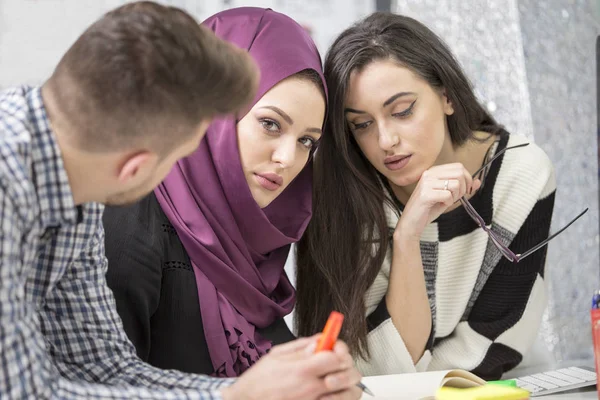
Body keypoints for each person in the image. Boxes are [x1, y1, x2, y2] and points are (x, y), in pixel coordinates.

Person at [0, 2, 361, 399]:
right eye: (179, 157)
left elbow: (103, 365)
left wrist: (241, 392)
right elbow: (23, 393)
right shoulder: (11, 187)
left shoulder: (75, 187)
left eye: (307, 141)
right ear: (135, 168)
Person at [295, 12, 567, 380]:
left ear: (447, 96)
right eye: (362, 124)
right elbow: (355, 362)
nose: (386, 141)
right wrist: (408, 235)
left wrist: (410, 374)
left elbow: (495, 340)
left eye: (402, 111)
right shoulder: (343, 194)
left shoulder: (521, 174)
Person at [103, 6, 327, 378]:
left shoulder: (251, 238)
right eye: (270, 124)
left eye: (307, 140)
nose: (288, 158)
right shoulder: (129, 221)